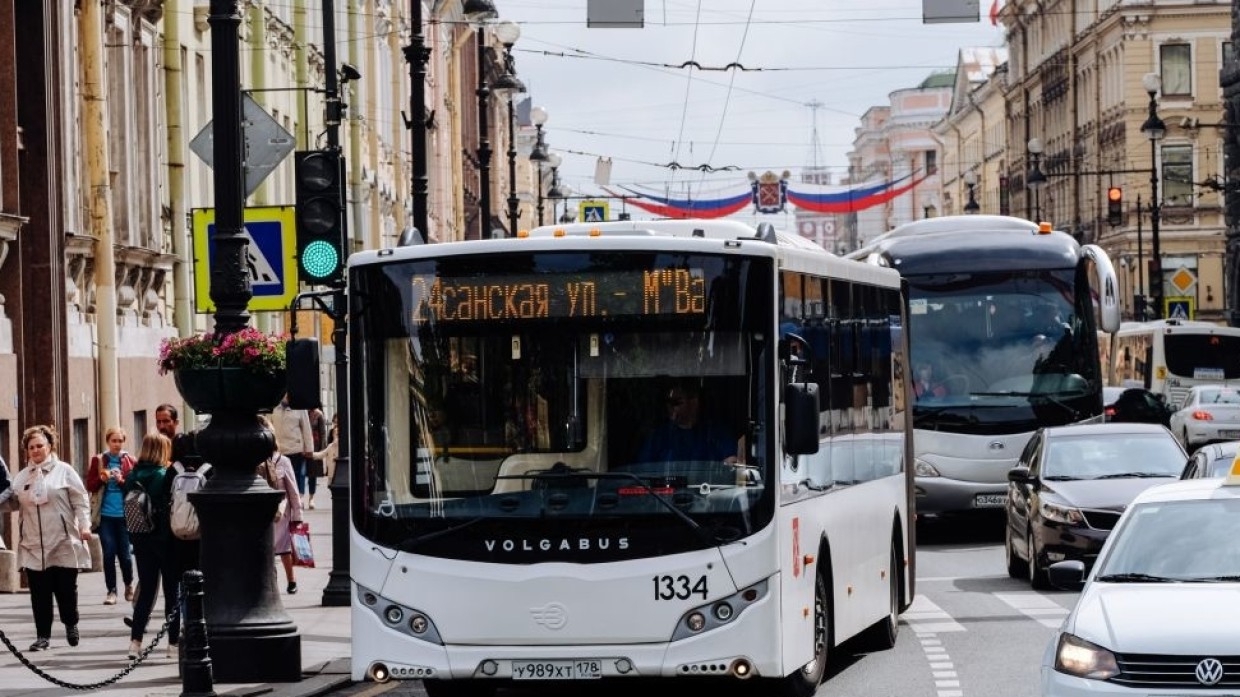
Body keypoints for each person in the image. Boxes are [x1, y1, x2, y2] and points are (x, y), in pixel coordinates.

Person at [3, 425, 93, 651]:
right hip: (33, 544)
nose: (35, 450)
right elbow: (12, 500)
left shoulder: (64, 471)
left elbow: (80, 501)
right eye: (31, 447)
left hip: (62, 540)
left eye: (40, 446)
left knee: (65, 590)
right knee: (39, 594)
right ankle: (43, 635)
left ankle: (71, 623)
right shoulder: (23, 476)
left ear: (49, 446)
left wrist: (84, 526)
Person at [124, 431, 180, 660]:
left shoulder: (132, 475)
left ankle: (135, 643)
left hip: (140, 538)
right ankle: (173, 645)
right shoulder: (164, 474)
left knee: (146, 591)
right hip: (164, 540)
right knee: (171, 592)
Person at [85, 427, 136, 606]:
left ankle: (129, 584)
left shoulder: (130, 461)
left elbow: (135, 488)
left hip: (124, 515)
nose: (117, 444)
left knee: (125, 555)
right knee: (108, 553)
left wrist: (122, 481)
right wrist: (102, 479)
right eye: (113, 441)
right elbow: (90, 485)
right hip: (105, 515)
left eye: (120, 441)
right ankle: (111, 591)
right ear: (108, 441)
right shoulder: (99, 460)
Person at [636, 381, 738, 465]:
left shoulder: (715, 433)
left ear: (694, 402)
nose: (671, 407)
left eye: (677, 403)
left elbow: (731, 462)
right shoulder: (658, 437)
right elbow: (643, 470)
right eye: (668, 402)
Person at [261, 416, 305, 594]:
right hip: (262, 511)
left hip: (281, 511)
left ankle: (291, 580)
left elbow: (293, 490)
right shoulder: (255, 462)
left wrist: (298, 516)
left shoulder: (283, 461)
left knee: (284, 548)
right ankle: (271, 581)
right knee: (267, 549)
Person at [271, 395, 314, 506]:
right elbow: (268, 426)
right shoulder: (274, 407)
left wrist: (309, 448)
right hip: (279, 449)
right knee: (280, 477)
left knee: (296, 475)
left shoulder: (300, 407)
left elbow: (306, 427)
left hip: (295, 448)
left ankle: (298, 499)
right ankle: (284, 500)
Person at [156, 403, 195, 468]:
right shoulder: (154, 446)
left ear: (176, 422)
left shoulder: (184, 444)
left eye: (166, 421)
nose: (161, 426)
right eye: (158, 421)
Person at [306, 408, 328, 509]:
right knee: (300, 473)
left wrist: (322, 450)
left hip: (314, 446)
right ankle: (299, 497)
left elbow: (323, 433)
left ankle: (311, 498)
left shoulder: (318, 414)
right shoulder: (300, 411)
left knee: (312, 474)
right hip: (301, 446)